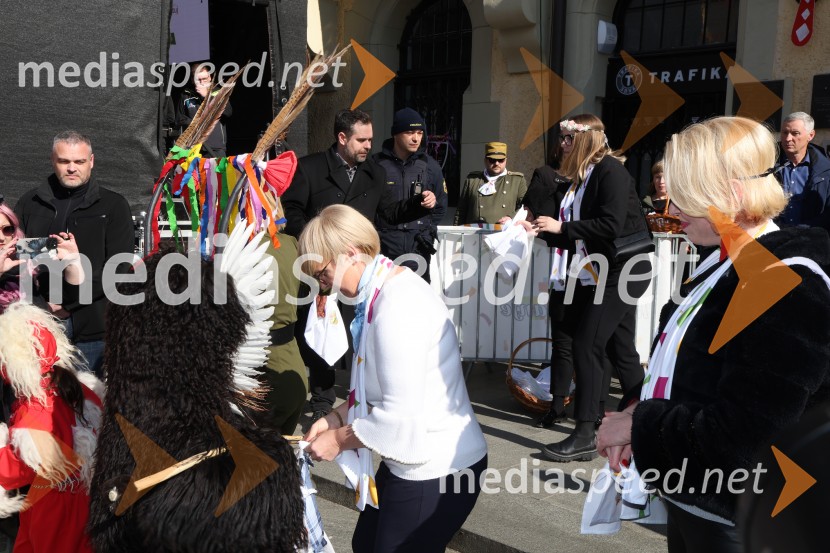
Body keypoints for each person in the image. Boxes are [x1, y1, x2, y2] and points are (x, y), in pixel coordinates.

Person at [597, 116, 830, 553]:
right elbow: (691, 369)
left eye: (685, 197)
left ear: (731, 195)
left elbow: (748, 434)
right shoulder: (723, 261)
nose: (672, 210)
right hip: (700, 502)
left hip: (741, 519)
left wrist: (639, 426)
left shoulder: (782, 278)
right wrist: (636, 408)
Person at [300, 205, 487, 553]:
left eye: (322, 272)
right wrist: (334, 418)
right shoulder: (382, 291)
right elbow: (378, 392)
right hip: (417, 460)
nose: (321, 283)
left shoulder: (396, 306)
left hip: (436, 467)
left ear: (351, 254)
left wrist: (337, 441)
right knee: (365, 543)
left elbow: (398, 423)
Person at [281, 108, 437, 422]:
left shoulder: (374, 173)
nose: (368, 145)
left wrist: (415, 206)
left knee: (357, 331)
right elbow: (291, 211)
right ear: (342, 138)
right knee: (314, 329)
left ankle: (359, 395)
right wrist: (319, 240)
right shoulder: (310, 168)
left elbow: (388, 214)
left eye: (370, 139)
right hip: (319, 266)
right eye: (361, 140)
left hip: (356, 268)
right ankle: (321, 397)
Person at [530, 114, 652, 462]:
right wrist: (544, 232)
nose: (563, 145)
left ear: (585, 139)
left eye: (569, 138)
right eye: (562, 138)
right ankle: (639, 425)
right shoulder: (584, 176)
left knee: (587, 342)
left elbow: (610, 225)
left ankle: (586, 432)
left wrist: (562, 227)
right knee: (620, 349)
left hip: (625, 268)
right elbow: (586, 234)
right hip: (607, 267)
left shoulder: (609, 170)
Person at [15, 132, 134, 377]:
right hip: (39, 323)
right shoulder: (30, 203)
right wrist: (44, 305)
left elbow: (118, 269)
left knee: (90, 404)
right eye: (64, 161)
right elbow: (19, 258)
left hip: (92, 329)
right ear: (52, 160)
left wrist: (70, 303)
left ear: (91, 161)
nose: (71, 168)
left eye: (79, 162)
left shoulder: (112, 206)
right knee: (41, 404)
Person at [0, 301, 104, 553]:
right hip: (87, 496)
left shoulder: (35, 409)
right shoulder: (81, 389)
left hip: (54, 505)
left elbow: (15, 468)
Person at [374, 107, 447, 282]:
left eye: (419, 133)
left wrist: (431, 207)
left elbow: (441, 207)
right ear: (395, 134)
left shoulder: (431, 166)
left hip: (418, 247)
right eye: (409, 132)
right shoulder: (376, 165)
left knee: (417, 300)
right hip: (385, 248)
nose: (416, 138)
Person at [1, 198, 85, 311]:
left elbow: (75, 294)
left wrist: (72, 261)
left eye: (7, 229)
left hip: (37, 325)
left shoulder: (25, 248)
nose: (1, 238)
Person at [774, 111, 830, 230]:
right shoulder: (767, 163)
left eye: (795, 133)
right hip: (772, 237)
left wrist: (804, 230)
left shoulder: (825, 169)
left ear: (810, 135)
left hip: (809, 239)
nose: (788, 138)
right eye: (785, 133)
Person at [454, 141, 527, 225]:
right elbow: (461, 210)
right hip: (474, 233)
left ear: (506, 160)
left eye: (500, 160)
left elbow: (524, 207)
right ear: (485, 160)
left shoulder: (517, 181)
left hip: (502, 233)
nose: (496, 163)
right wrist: (456, 232)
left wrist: (511, 217)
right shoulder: (473, 179)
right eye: (492, 160)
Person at [176, 62, 233, 158]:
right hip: (193, 147)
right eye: (198, 80)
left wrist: (207, 96)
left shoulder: (219, 92)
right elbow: (179, 119)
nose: (202, 82)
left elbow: (228, 113)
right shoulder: (186, 95)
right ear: (192, 80)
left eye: (204, 79)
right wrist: (195, 124)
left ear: (210, 77)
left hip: (215, 147)